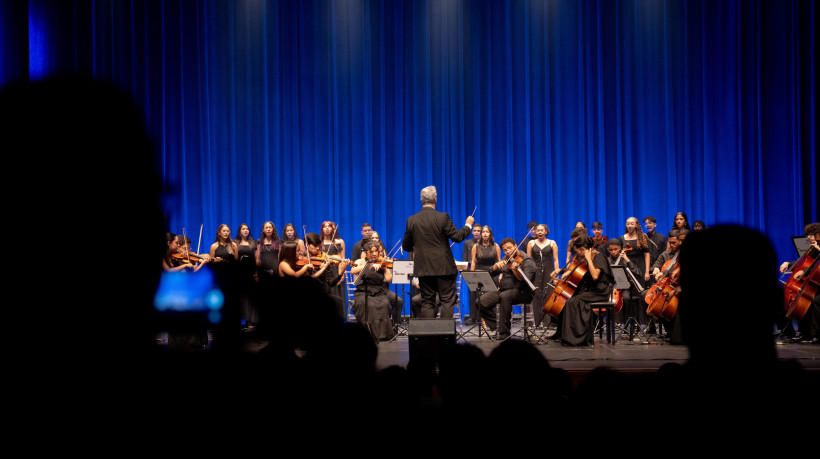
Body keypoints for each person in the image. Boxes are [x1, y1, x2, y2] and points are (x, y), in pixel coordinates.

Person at [402, 186, 474, 319]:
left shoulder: (412, 220)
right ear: (436, 199)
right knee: (447, 300)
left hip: (424, 268)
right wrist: (468, 225)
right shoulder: (442, 217)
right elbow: (457, 237)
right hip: (444, 268)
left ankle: (430, 337)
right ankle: (444, 337)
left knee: (427, 302)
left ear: (421, 200)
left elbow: (406, 246)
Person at [552, 236, 613, 346]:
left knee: (572, 302)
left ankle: (577, 338)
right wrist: (563, 273)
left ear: (583, 249)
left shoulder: (599, 257)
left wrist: (589, 259)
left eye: (578, 251)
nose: (577, 254)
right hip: (589, 290)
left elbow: (595, 276)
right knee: (567, 299)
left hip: (599, 292)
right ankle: (565, 336)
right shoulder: (584, 257)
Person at [479, 238, 537, 340]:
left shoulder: (527, 260)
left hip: (523, 292)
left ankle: (504, 332)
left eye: (509, 248)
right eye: (505, 250)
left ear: (515, 246)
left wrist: (516, 271)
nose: (508, 251)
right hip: (503, 291)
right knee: (480, 301)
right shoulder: (505, 259)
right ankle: (498, 325)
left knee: (504, 296)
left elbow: (527, 281)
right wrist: (495, 267)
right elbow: (490, 273)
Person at [779, 222, 820, 343]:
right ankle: (799, 333)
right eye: (808, 235)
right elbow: (804, 262)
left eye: (812, 234)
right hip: (813, 283)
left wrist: (804, 272)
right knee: (782, 298)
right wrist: (789, 263)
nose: (809, 237)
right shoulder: (813, 248)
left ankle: (815, 335)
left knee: (815, 300)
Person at [351, 240, 396, 341]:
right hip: (363, 291)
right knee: (369, 305)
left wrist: (385, 269)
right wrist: (369, 265)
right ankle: (368, 334)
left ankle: (383, 334)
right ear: (366, 252)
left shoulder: (382, 263)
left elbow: (389, 279)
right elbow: (353, 270)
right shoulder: (360, 261)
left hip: (379, 290)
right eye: (371, 252)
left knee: (384, 303)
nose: (375, 254)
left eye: (377, 251)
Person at [305, 232, 349, 320]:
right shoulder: (302, 260)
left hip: (323, 294)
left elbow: (330, 283)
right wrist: (322, 269)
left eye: (318, 246)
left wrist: (340, 273)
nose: (318, 249)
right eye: (315, 246)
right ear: (307, 245)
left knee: (338, 301)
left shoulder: (322, 258)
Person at [527, 224, 559, 328]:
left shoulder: (552, 243)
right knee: (536, 295)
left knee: (548, 295)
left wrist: (556, 275)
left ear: (546, 232)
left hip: (549, 271)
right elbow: (529, 260)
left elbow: (555, 259)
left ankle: (547, 323)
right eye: (538, 230)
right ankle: (536, 322)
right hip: (535, 271)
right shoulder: (531, 243)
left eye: (542, 230)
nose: (539, 232)